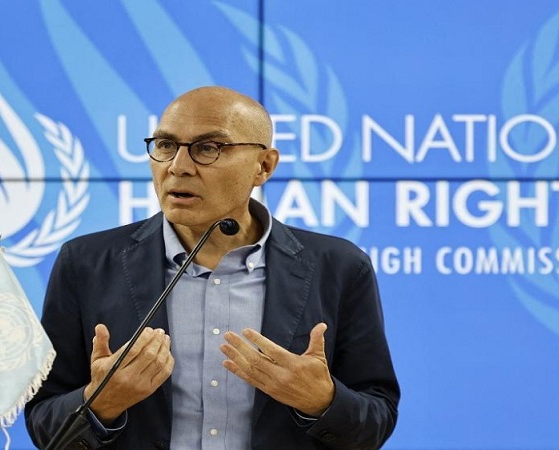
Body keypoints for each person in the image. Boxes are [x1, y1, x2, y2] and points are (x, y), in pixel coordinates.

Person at [25, 86, 400, 449]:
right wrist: (100, 404)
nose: (178, 167)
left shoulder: (339, 267)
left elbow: (376, 421)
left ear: (264, 166)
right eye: (166, 145)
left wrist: (322, 401)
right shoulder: (86, 263)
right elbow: (44, 423)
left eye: (208, 148)